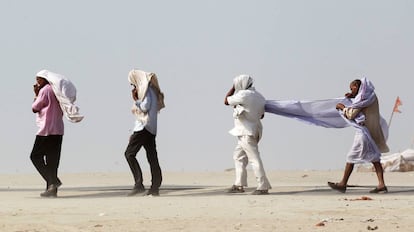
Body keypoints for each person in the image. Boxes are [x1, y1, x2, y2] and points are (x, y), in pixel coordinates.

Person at [328, 78, 389, 193]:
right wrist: (352, 97)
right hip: (371, 131)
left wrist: (342, 107)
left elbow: (351, 114)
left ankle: (343, 184)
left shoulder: (362, 98)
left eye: (352, 88)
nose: (351, 90)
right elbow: (362, 107)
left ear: (357, 87)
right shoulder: (371, 95)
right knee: (375, 158)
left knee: (351, 157)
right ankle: (381, 184)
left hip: (363, 132)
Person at [224, 74, 271, 195]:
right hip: (255, 130)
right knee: (238, 156)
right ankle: (239, 184)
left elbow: (226, 100)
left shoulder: (243, 95)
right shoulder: (260, 96)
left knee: (254, 159)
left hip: (246, 132)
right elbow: (261, 115)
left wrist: (233, 88)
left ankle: (263, 186)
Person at [125, 70, 165, 196]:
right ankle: (155, 187)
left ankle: (139, 184)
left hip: (143, 128)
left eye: (133, 84)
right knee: (152, 157)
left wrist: (136, 100)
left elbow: (145, 107)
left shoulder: (146, 91)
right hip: (151, 128)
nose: (133, 87)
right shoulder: (153, 91)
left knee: (129, 154)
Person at [31, 73, 64, 197]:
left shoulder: (45, 90)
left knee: (35, 156)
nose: (37, 82)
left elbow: (35, 107)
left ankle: (53, 181)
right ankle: (51, 190)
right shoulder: (57, 90)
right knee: (52, 160)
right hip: (58, 129)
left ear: (45, 79)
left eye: (38, 79)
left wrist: (36, 94)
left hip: (46, 130)